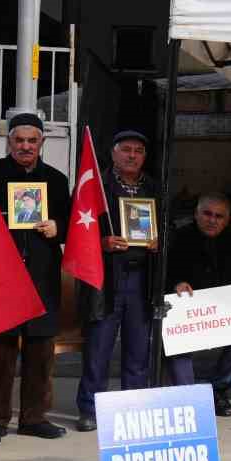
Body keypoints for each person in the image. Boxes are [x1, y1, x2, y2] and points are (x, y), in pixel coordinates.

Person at [0, 112, 71, 444]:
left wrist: (58, 227)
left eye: (32, 140)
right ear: (9, 141)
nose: (25, 146)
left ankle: (34, 418)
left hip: (41, 274)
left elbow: (70, 221)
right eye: (19, 140)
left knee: (41, 350)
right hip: (0, 275)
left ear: (42, 142)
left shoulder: (56, 179)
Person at [76, 130, 157, 432]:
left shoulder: (154, 187)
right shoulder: (96, 186)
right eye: (126, 149)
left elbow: (169, 225)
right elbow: (78, 231)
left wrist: (159, 241)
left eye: (138, 150)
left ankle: (132, 410)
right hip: (106, 276)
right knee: (99, 347)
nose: (132, 155)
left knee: (138, 349)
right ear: (113, 154)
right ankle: (89, 409)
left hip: (141, 277)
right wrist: (103, 242)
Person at [167, 192, 231, 416]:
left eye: (219, 216)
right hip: (186, 315)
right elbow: (163, 276)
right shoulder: (177, 239)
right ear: (196, 214)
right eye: (207, 214)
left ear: (227, 220)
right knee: (174, 339)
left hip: (225, 316)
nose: (212, 220)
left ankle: (215, 390)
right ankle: (188, 398)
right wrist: (176, 284)